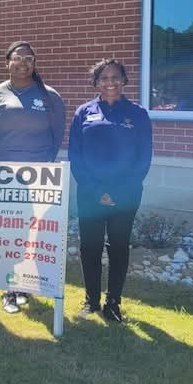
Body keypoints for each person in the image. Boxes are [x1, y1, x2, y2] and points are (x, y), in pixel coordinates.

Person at [0, 41, 66, 314]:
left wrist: (41, 167)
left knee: (36, 232)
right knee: (9, 232)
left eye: (28, 59)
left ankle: (31, 284)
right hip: (5, 177)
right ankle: (9, 289)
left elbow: (57, 136)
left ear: (34, 63)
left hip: (39, 177)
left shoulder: (50, 96)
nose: (22, 63)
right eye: (17, 58)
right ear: (7, 62)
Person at [68, 59, 152, 323]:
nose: (110, 82)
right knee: (90, 248)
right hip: (90, 195)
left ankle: (113, 303)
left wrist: (119, 191)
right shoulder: (84, 112)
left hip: (125, 195)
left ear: (124, 80)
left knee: (118, 247)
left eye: (115, 77)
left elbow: (143, 158)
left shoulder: (138, 114)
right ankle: (91, 301)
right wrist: (96, 191)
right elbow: (75, 155)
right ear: (96, 83)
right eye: (104, 78)